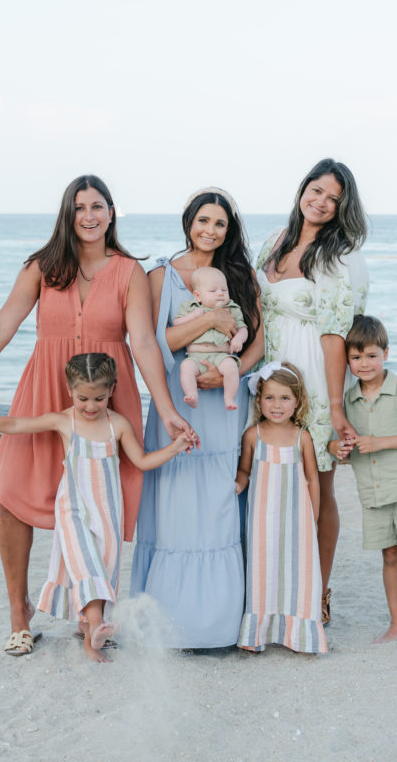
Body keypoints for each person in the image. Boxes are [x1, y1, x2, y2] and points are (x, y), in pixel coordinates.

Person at [0, 175, 194, 656]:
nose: (90, 215)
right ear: (68, 213)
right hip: (43, 394)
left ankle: (89, 613)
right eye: (80, 207)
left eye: (98, 206)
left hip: (107, 400)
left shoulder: (129, 272)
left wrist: (166, 408)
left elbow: (141, 342)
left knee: (101, 508)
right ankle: (19, 612)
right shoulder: (43, 267)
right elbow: (4, 323)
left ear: (112, 213)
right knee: (13, 492)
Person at [0, 353, 192, 663]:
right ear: (69, 391)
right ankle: (94, 637)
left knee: (102, 568)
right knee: (87, 566)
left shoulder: (118, 425)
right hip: (73, 510)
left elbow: (142, 461)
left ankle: (91, 626)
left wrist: (175, 447)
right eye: (83, 399)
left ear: (112, 390)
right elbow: (14, 423)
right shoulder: (65, 420)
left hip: (107, 512)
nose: (90, 406)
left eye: (99, 398)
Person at [130, 187, 263, 648]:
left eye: (220, 223)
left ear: (229, 230)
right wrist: (211, 320)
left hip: (224, 402)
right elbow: (153, 340)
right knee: (173, 506)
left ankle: (217, 625)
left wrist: (233, 371)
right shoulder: (159, 275)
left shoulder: (241, 275)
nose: (210, 230)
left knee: (219, 504)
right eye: (203, 220)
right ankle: (166, 624)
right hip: (175, 400)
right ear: (188, 221)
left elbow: (260, 342)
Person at [257, 159, 368, 625]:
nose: (321, 202)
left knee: (317, 485)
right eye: (316, 190)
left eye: (333, 198)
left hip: (315, 377)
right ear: (303, 189)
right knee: (270, 482)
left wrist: (337, 407)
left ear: (342, 207)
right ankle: (270, 588)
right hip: (266, 375)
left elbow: (335, 334)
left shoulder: (339, 257)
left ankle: (317, 593)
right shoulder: (273, 241)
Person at [329, 315, 397, 652]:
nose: (364, 364)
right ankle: (396, 624)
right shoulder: (347, 400)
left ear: (386, 354)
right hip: (373, 490)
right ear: (348, 360)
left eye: (372, 356)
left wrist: (379, 442)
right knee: (390, 556)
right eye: (357, 357)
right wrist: (339, 448)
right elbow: (336, 445)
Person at [235, 362, 327, 655]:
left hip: (296, 518)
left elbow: (312, 479)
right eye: (270, 398)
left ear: (297, 401)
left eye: (285, 398)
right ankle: (257, 634)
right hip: (262, 518)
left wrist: (313, 517)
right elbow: (244, 473)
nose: (276, 405)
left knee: (298, 572)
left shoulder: (303, 437)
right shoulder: (253, 435)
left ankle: (299, 635)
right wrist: (235, 486)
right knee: (263, 569)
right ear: (259, 399)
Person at [173, 265, 248, 410]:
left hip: (221, 355)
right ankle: (192, 394)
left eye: (224, 290)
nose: (220, 294)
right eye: (213, 291)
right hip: (195, 356)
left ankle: (229, 397)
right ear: (197, 296)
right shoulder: (190, 307)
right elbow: (177, 323)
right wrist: (192, 316)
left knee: (232, 367)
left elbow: (243, 328)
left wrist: (238, 339)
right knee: (186, 367)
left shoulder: (232, 308)